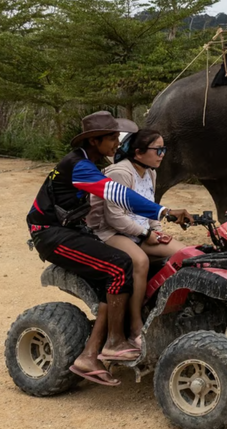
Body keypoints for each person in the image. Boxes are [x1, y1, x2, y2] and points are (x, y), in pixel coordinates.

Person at [26, 111, 192, 386]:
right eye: (112, 138)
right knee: (119, 265)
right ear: (94, 141)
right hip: (50, 233)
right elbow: (117, 195)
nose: (117, 143)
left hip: (73, 230)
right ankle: (115, 342)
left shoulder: (87, 163)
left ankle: (89, 355)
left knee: (111, 274)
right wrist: (164, 211)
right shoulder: (78, 166)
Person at [87, 129, 185, 349]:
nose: (162, 154)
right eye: (158, 150)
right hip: (112, 232)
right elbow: (114, 217)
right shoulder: (120, 173)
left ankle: (164, 309)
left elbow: (149, 207)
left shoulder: (150, 172)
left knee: (184, 254)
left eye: (164, 149)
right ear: (138, 152)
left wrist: (157, 230)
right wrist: (146, 235)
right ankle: (135, 326)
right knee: (140, 261)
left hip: (140, 231)